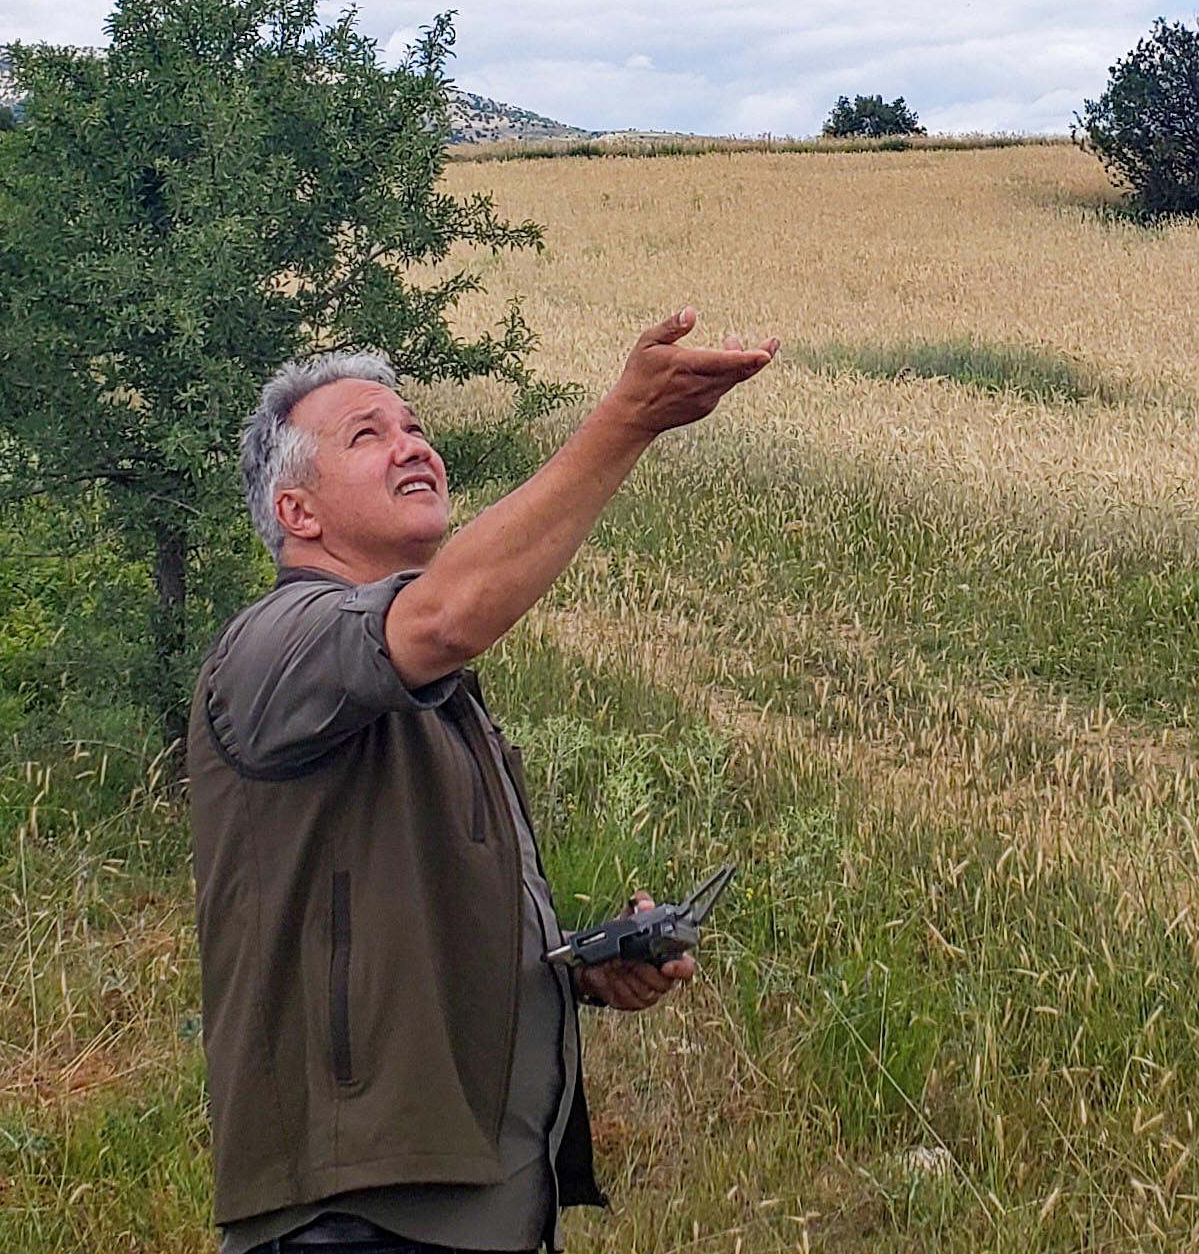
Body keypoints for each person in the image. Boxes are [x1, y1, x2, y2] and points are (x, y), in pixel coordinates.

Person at [189, 307, 778, 1254]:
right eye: (366, 434)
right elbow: (447, 617)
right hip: (357, 1222)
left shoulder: (425, 687)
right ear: (296, 512)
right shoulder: (274, 644)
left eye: (415, 424)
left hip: (478, 1212)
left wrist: (579, 967)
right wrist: (625, 421)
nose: (411, 444)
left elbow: (398, 926)